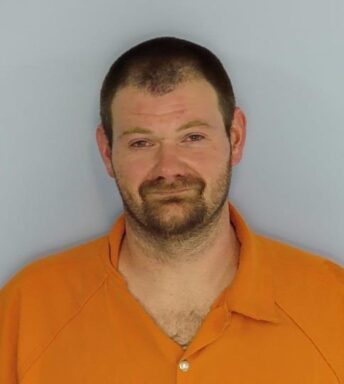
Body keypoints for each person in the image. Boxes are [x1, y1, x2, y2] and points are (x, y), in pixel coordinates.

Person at [0, 36, 343, 384]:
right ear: (107, 153)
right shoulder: (27, 311)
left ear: (235, 138)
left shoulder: (333, 306)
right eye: (141, 143)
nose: (168, 168)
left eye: (192, 137)